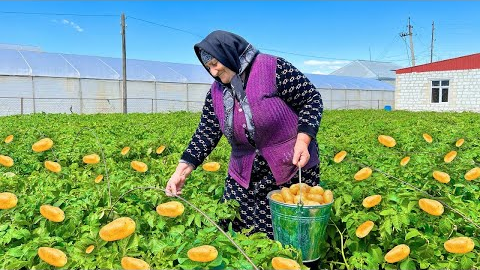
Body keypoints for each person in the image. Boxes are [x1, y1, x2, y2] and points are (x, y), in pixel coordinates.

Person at [166, 30, 323, 240]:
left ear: (227, 53)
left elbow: (311, 100)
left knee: (288, 235)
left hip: (291, 164)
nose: (213, 72)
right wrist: (181, 171)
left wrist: (303, 140)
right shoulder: (216, 92)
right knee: (233, 227)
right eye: (208, 67)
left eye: (215, 64)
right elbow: (206, 132)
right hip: (244, 171)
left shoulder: (273, 68)